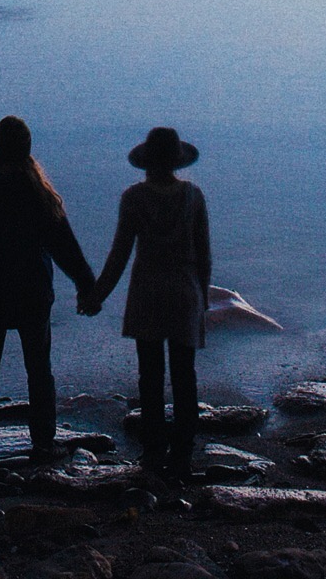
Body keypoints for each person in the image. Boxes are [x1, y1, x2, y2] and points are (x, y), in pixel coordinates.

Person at [0, 115, 98, 463]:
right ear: (28, 149)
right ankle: (44, 440)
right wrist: (85, 283)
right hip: (33, 290)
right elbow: (64, 245)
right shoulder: (39, 194)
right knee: (38, 367)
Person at [90, 125, 210, 481]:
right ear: (176, 161)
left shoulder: (134, 198)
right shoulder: (193, 196)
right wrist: (202, 298)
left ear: (146, 163)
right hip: (183, 292)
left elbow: (119, 255)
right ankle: (184, 451)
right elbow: (204, 254)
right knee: (184, 375)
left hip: (147, 294)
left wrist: (97, 296)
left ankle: (154, 449)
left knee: (151, 376)